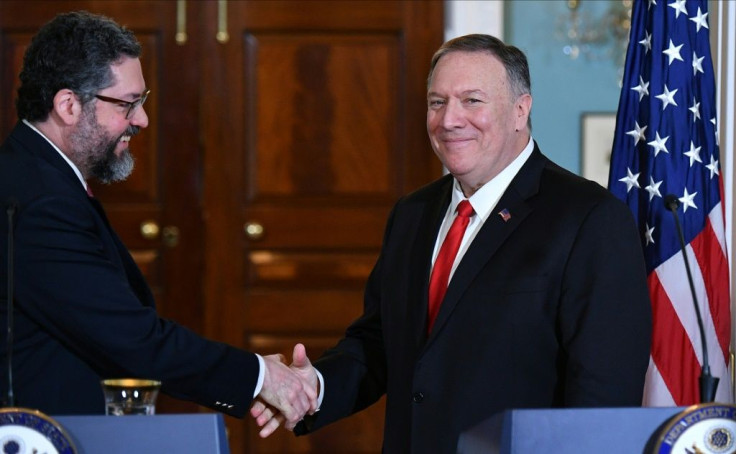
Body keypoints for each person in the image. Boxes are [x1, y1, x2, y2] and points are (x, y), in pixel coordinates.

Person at [250, 34, 653, 452]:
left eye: (472, 101)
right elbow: (378, 344)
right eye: (437, 102)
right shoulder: (412, 213)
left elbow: (602, 397)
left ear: (520, 110)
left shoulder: (589, 218)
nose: (449, 120)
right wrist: (312, 386)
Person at [0, 11, 316, 426]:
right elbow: (132, 341)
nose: (142, 119)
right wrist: (260, 378)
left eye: (141, 102)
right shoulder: (43, 201)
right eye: (128, 104)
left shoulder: (37, 176)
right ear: (68, 105)